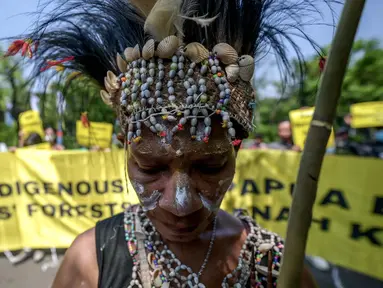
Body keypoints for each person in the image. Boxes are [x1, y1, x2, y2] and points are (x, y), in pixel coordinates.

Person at [15, 0, 339, 287]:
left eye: (209, 167)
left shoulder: (275, 265)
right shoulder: (91, 260)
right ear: (126, 151)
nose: (181, 204)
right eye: (151, 167)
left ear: (235, 149)